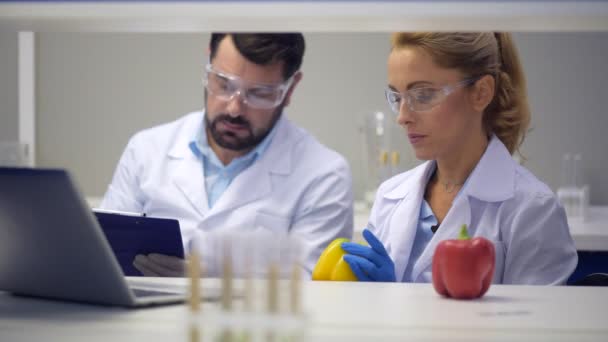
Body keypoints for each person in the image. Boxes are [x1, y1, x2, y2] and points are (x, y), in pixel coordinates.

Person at [100, 33, 353, 277]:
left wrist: (212, 280)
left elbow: (314, 290)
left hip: (253, 321)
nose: (234, 109)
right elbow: (103, 255)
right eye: (223, 84)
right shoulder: (146, 150)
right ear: (208, 61)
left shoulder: (325, 175)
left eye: (259, 93)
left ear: (290, 90)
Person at [341, 32, 577, 285]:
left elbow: (533, 323)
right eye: (397, 97)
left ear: (481, 93)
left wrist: (400, 300)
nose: (402, 116)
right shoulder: (390, 195)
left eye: (422, 95)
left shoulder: (533, 209)